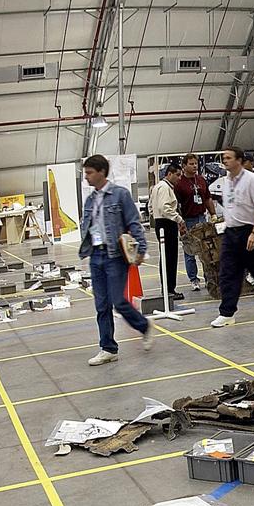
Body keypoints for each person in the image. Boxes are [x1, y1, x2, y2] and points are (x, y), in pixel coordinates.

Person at [79, 154, 152, 366]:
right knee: (101, 305)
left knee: (118, 302)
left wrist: (141, 250)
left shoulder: (120, 195)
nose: (87, 178)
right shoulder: (90, 199)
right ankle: (108, 348)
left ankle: (144, 326)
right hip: (96, 255)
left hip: (114, 256)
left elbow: (134, 222)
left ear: (102, 172)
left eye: (90, 173)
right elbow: (88, 227)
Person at [210, 147, 254, 328]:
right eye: (223, 158)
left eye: (228, 158)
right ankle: (227, 313)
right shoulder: (227, 181)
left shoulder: (252, 180)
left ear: (239, 160)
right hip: (230, 233)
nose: (225, 161)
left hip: (248, 231)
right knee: (228, 272)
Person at [173, 153, 215, 291]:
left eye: (196, 163)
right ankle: (194, 279)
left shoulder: (201, 180)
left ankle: (209, 277)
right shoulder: (179, 183)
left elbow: (207, 198)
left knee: (207, 250)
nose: (194, 166)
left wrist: (213, 214)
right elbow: (176, 205)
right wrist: (180, 223)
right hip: (188, 220)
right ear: (184, 166)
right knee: (190, 251)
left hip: (201, 217)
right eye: (191, 164)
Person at [149, 164, 184, 301]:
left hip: (160, 223)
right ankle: (169, 289)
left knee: (166, 257)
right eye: (178, 175)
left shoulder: (157, 186)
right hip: (167, 223)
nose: (179, 178)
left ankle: (167, 288)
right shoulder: (164, 188)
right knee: (170, 258)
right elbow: (164, 208)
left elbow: (151, 206)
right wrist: (179, 219)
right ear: (169, 174)